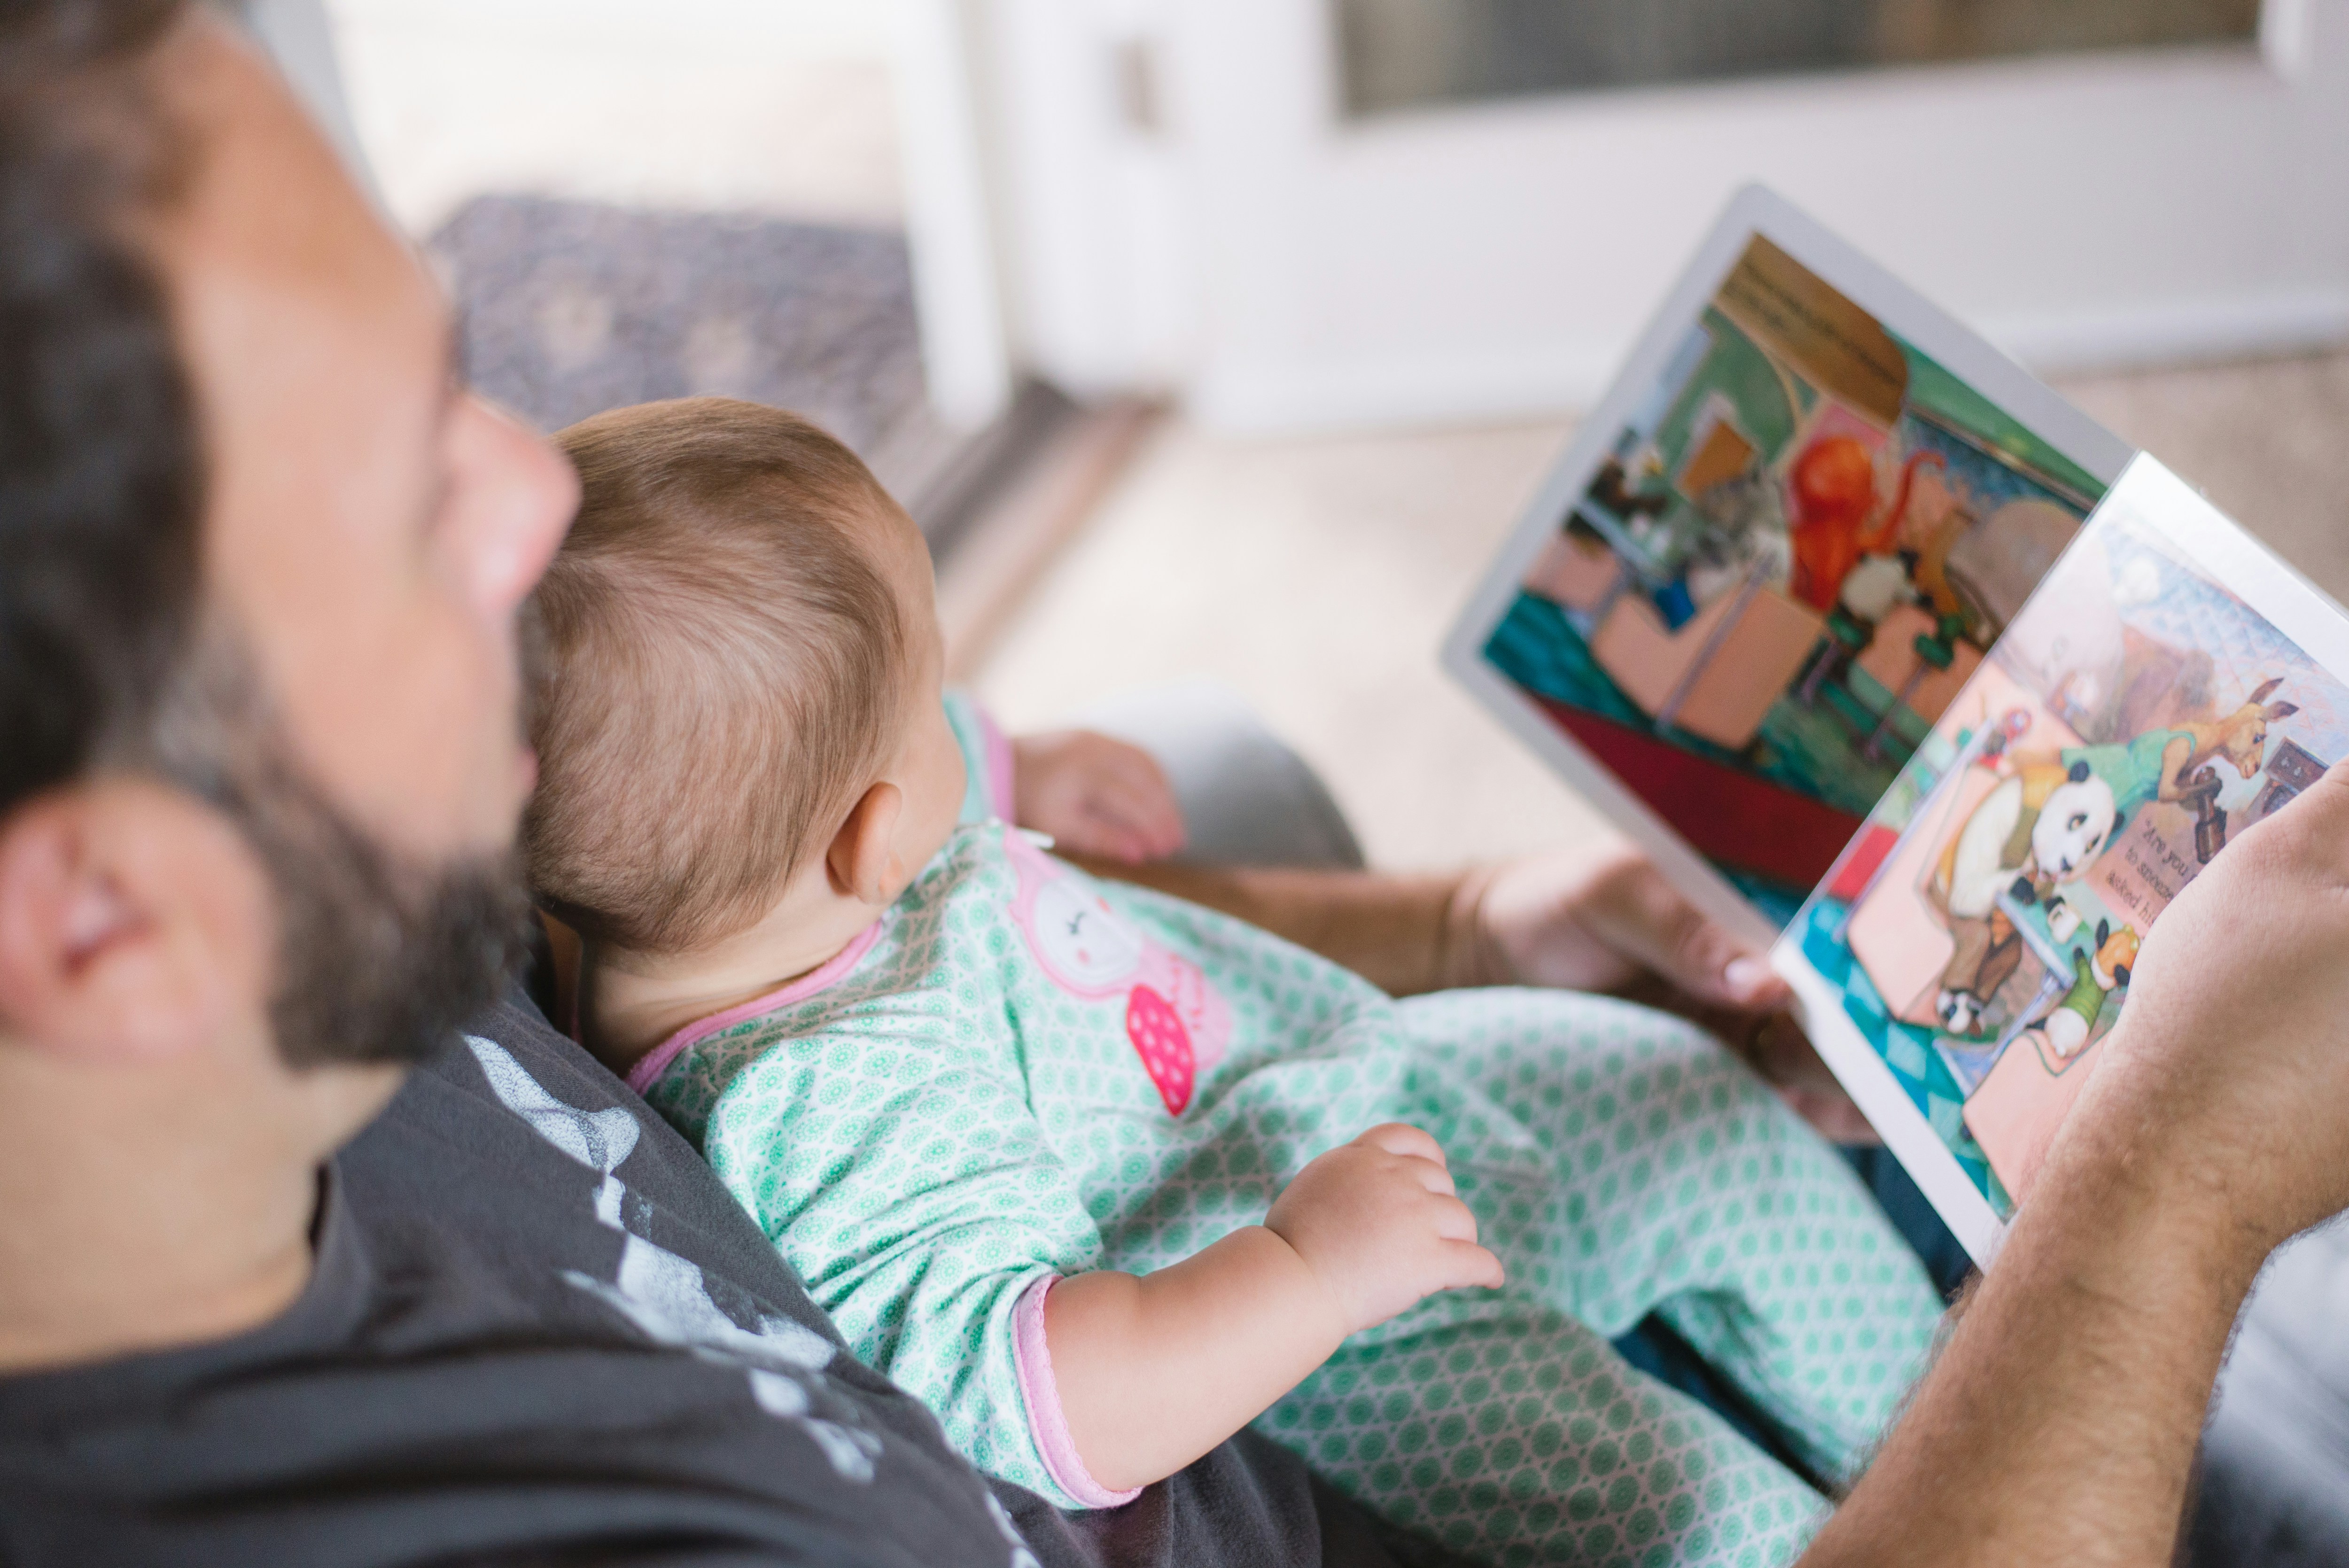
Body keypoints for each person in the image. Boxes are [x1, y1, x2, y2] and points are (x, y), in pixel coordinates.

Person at [0, 6, 2342, 1566]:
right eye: (406, 497)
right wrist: (2167, 1182)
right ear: (101, 922)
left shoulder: (398, 860)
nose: (532, 496)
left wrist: (1450, 921)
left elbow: (949, 917)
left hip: (1383, 1130)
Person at [521, 395, 1941, 1566]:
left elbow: (867, 751)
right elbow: (1046, 1394)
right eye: (935, 696)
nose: (959, 713)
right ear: (873, 837)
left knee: (1689, 1094)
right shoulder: (831, 1103)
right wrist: (1309, 1270)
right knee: (1701, 1523)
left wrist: (1016, 760)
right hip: (1359, 1331)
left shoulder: (749, 874)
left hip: (1349, 1075)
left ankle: (1942, 1423)